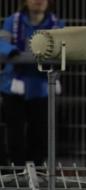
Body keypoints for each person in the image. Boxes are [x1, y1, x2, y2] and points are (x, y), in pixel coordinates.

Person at [0, 0, 64, 165]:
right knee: (15, 138)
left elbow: (65, 50)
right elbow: (2, 43)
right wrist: (13, 53)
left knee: (40, 138)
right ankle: (17, 181)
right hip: (13, 88)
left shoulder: (58, 25)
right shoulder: (11, 21)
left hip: (43, 89)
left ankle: (37, 180)